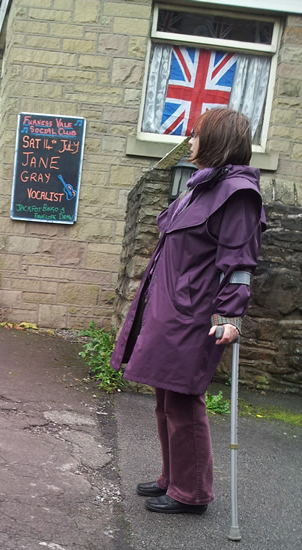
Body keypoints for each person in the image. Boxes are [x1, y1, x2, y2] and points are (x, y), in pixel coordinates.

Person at [110, 108, 265, 515]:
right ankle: (172, 478)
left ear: (215, 140)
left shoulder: (238, 194)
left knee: (183, 401)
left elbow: (240, 264)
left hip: (197, 315)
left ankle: (192, 492)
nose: (190, 141)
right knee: (164, 398)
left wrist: (229, 318)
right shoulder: (200, 187)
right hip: (169, 308)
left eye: (195, 135)